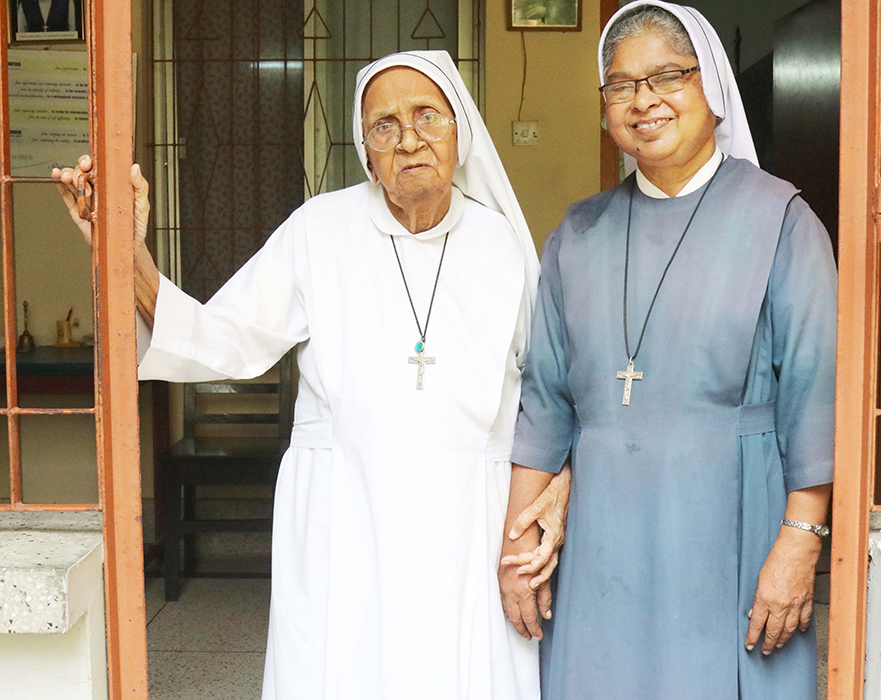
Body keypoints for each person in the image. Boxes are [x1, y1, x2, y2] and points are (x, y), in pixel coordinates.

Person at [54, 50, 571, 700]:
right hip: (346, 516)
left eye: (426, 117)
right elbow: (225, 342)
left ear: (459, 129)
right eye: (384, 125)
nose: (408, 138)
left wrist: (546, 506)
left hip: (471, 519)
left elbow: (549, 397)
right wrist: (128, 256)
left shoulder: (502, 245)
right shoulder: (319, 231)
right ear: (363, 146)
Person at [498, 3, 837, 699]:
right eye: (620, 85)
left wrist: (801, 541)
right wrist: (515, 552)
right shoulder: (578, 233)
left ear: (709, 87)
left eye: (667, 77)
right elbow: (544, 405)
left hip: (732, 527)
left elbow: (815, 393)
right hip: (601, 533)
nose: (643, 101)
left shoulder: (782, 220)